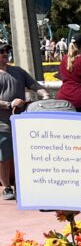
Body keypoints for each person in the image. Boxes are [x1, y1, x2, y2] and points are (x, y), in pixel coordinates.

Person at [0, 42, 47, 200]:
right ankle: (6, 187)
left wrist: (45, 96)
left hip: (21, 120)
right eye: (1, 51)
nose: (5, 53)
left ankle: (23, 185)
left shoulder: (18, 71)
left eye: (6, 50)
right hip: (2, 122)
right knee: (3, 156)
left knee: (23, 154)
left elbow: (35, 85)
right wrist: (8, 104)